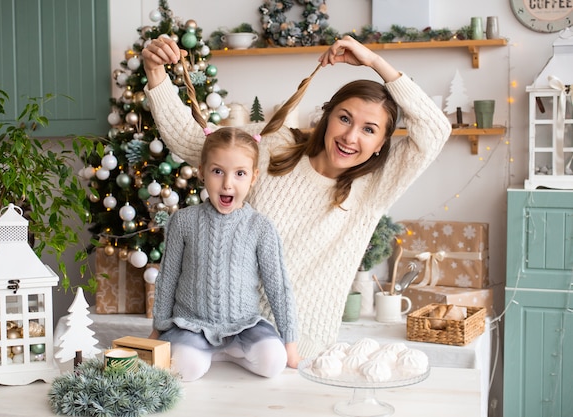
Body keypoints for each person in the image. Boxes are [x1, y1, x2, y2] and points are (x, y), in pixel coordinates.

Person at [142, 35, 452, 359]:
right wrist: (155, 73)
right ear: (327, 116)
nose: (350, 136)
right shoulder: (275, 146)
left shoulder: (376, 186)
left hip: (299, 352)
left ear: (381, 144)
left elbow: (435, 131)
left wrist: (375, 62)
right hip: (221, 335)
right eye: (344, 118)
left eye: (369, 129)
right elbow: (193, 142)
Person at [149, 126, 299, 381]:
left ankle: (230, 352)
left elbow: (278, 287)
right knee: (185, 368)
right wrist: (157, 329)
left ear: (253, 177)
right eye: (218, 171)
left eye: (240, 173)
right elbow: (168, 279)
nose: (228, 183)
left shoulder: (260, 227)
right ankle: (206, 353)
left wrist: (290, 344)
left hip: (245, 325)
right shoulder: (182, 222)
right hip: (192, 324)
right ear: (202, 173)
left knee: (274, 362)